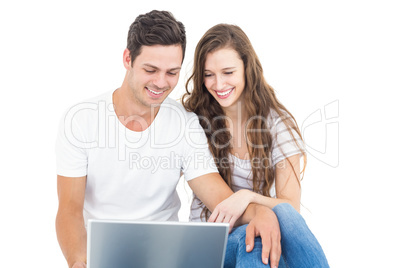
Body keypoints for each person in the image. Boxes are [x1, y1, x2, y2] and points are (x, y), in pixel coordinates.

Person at [55, 11, 281, 268]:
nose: (161, 83)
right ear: (128, 59)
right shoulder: (81, 120)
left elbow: (219, 199)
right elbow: (69, 210)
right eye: (150, 69)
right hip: (102, 258)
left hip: (167, 258)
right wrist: (78, 262)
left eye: (172, 72)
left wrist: (260, 212)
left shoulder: (184, 123)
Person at [182, 24, 330, 267]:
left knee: (275, 223)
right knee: (256, 240)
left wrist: (246, 197)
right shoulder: (194, 121)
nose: (218, 84)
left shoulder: (277, 123)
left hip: (261, 232)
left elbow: (291, 209)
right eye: (208, 74)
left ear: (246, 69)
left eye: (228, 72)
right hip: (209, 244)